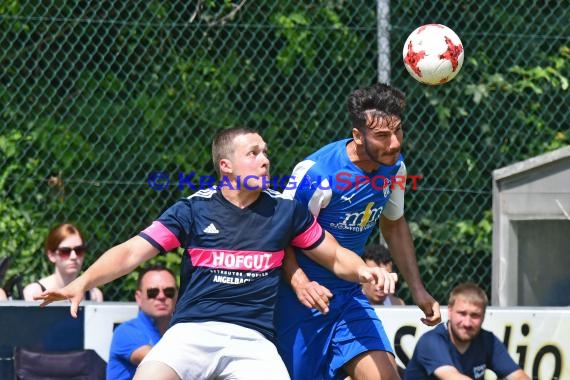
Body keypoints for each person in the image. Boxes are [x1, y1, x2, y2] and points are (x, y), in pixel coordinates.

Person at [35, 127, 398, 380]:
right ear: (226, 166)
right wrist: (83, 281)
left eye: (266, 153)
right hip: (191, 332)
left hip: (252, 339)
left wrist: (364, 271)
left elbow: (334, 255)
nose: (265, 160)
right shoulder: (192, 210)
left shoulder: (285, 212)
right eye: (253, 153)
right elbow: (132, 252)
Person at [275, 83, 441, 380]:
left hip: (350, 294)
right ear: (357, 135)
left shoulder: (395, 167)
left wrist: (417, 288)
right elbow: (278, 233)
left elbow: (393, 224)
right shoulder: (317, 174)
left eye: (398, 131)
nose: (394, 144)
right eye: (381, 136)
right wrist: (300, 283)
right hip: (300, 299)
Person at [404, 283, 530, 380]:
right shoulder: (432, 341)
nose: (467, 323)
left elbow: (518, 376)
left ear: (484, 316)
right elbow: (453, 377)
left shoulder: (488, 340)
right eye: (462, 313)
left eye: (475, 315)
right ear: (449, 311)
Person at [107, 265, 178, 380]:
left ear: (177, 295)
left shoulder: (181, 331)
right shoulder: (126, 332)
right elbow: (161, 364)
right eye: (152, 292)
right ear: (139, 298)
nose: (161, 296)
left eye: (169, 291)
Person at [23, 223, 103, 302]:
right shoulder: (34, 293)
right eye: (65, 251)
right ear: (51, 255)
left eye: (79, 250)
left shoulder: (94, 296)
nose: (73, 256)